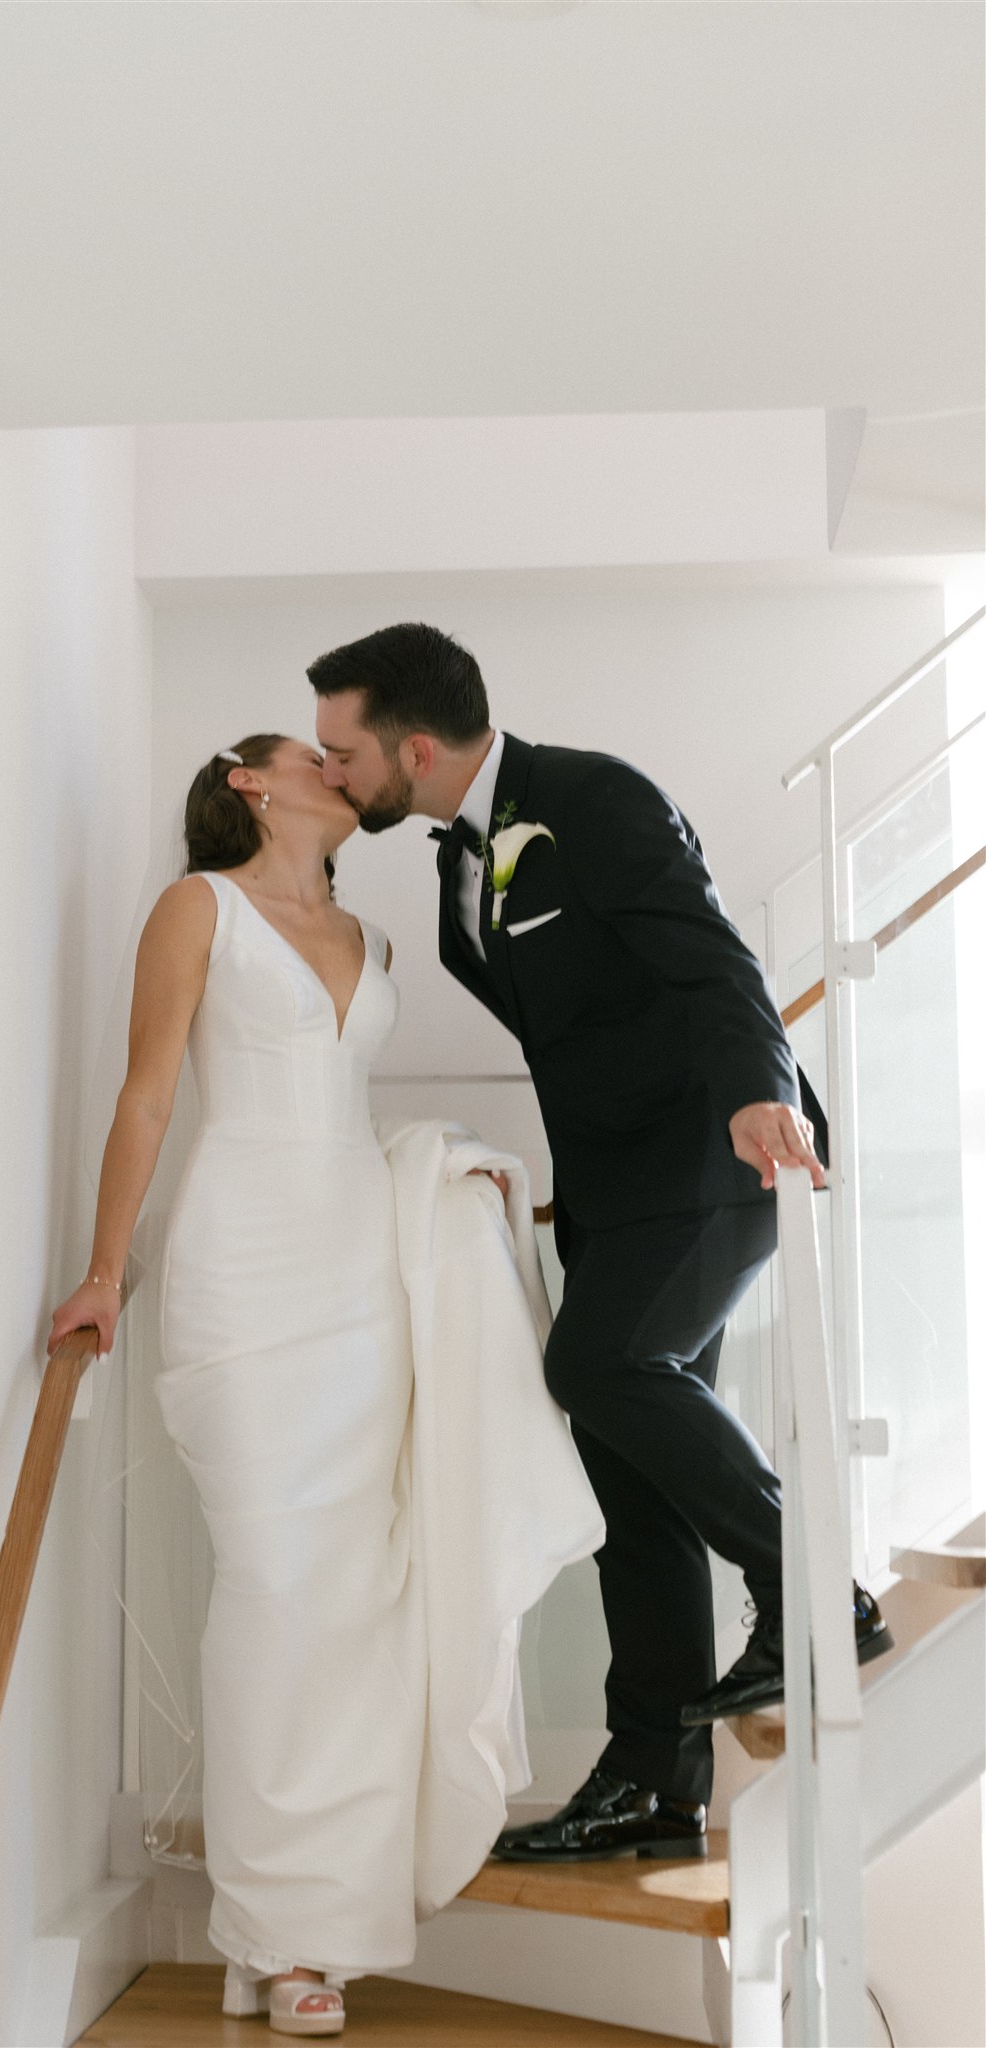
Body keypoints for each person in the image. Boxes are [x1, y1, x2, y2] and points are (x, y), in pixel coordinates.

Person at [309, 621, 892, 1864]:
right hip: (618, 1197)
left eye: (343, 752)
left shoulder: (593, 799)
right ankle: (652, 1779)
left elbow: (714, 958)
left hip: (716, 1158)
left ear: (416, 749)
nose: (335, 772)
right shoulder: (456, 863)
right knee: (631, 1474)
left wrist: (761, 1093)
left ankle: (815, 1589)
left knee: (596, 1365)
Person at [47, 731, 602, 2031]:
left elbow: (346, 1114)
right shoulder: (197, 908)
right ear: (248, 783)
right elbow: (146, 1099)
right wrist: (103, 1270)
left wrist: (444, 1174)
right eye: (312, 754)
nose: (339, 769)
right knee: (275, 1582)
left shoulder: (377, 940)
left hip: (360, 1277)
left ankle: (309, 1937)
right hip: (241, 1268)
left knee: (358, 1590)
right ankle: (265, 1918)